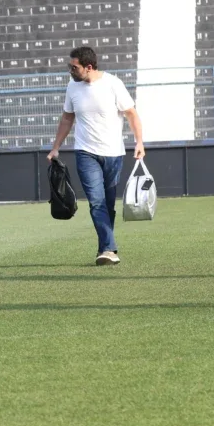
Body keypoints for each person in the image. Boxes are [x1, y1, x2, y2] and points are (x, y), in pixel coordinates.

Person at [47, 46, 145, 266]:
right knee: (97, 202)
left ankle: (104, 248)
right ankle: (109, 249)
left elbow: (131, 113)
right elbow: (66, 118)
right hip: (85, 152)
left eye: (74, 67)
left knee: (108, 204)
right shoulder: (72, 86)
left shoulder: (113, 84)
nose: (70, 71)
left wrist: (139, 142)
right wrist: (56, 147)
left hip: (113, 153)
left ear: (88, 67)